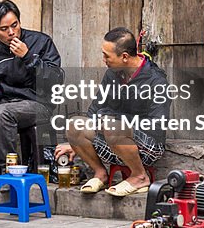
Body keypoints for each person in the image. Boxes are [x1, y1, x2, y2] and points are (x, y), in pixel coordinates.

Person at [0, 0, 63, 192]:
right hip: (4, 103)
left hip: (38, 104)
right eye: (4, 29)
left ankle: (7, 172)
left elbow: (55, 80)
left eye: (15, 25)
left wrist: (28, 57)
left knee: (2, 112)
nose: (11, 32)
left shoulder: (41, 42)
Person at [54, 27, 168, 198]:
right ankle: (100, 173)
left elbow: (157, 126)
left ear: (124, 57)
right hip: (113, 139)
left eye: (107, 56)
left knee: (111, 125)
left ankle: (139, 176)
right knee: (75, 125)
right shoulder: (112, 74)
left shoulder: (156, 80)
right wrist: (76, 143)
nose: (104, 60)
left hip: (149, 145)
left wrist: (117, 121)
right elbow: (95, 109)